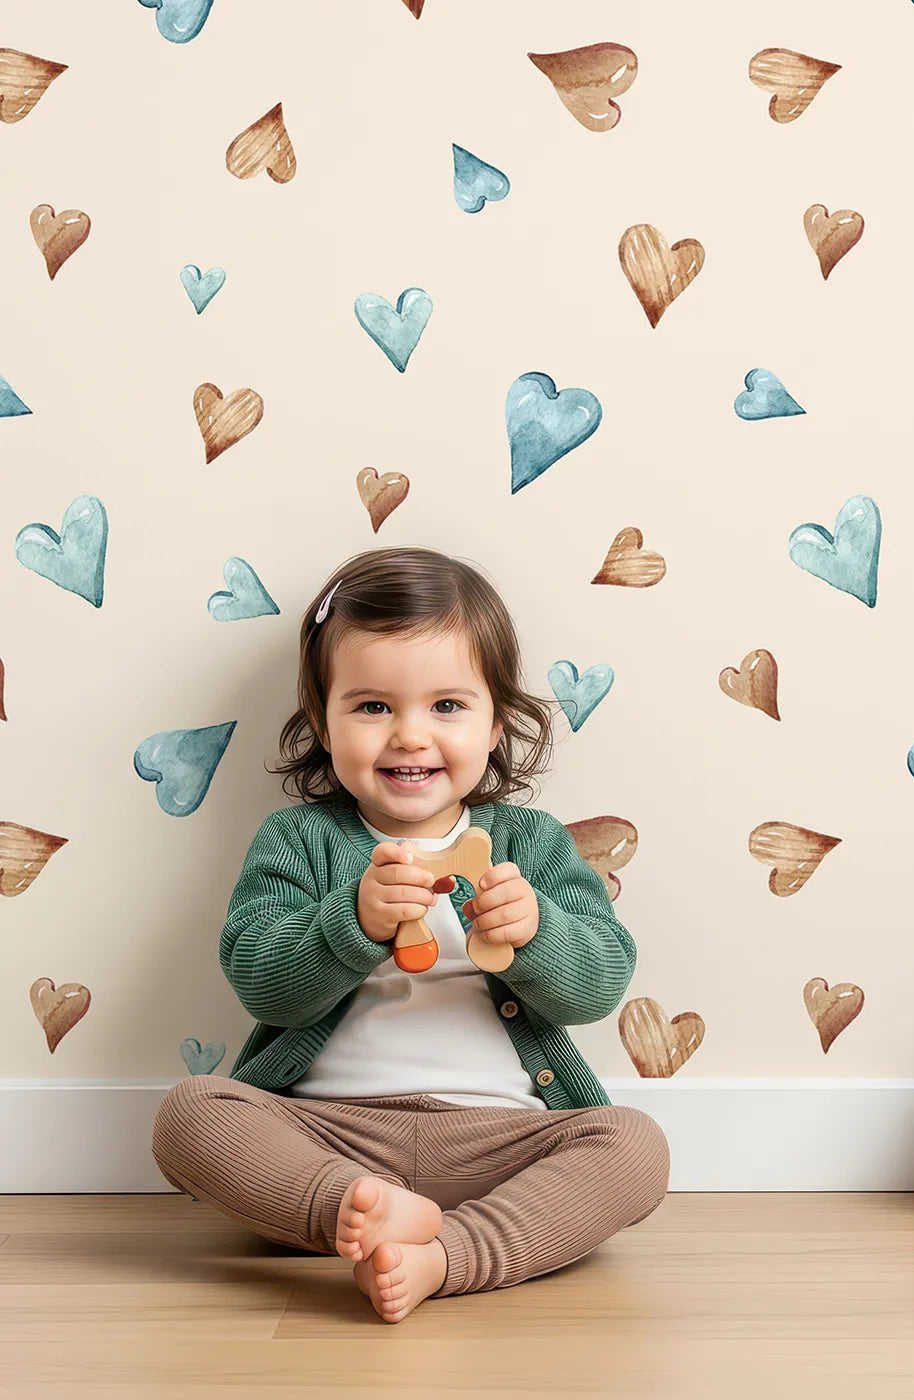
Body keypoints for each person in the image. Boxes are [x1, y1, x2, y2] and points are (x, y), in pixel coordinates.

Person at [151, 545, 669, 1323]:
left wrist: (538, 935)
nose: (409, 736)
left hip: (501, 1142)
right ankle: (348, 1211)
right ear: (323, 724)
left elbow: (599, 985)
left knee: (635, 1145)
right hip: (329, 1134)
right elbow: (260, 980)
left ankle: (447, 1255)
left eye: (447, 707)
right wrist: (347, 925)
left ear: (497, 723)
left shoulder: (532, 842)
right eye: (372, 707)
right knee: (190, 1113)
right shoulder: (298, 841)